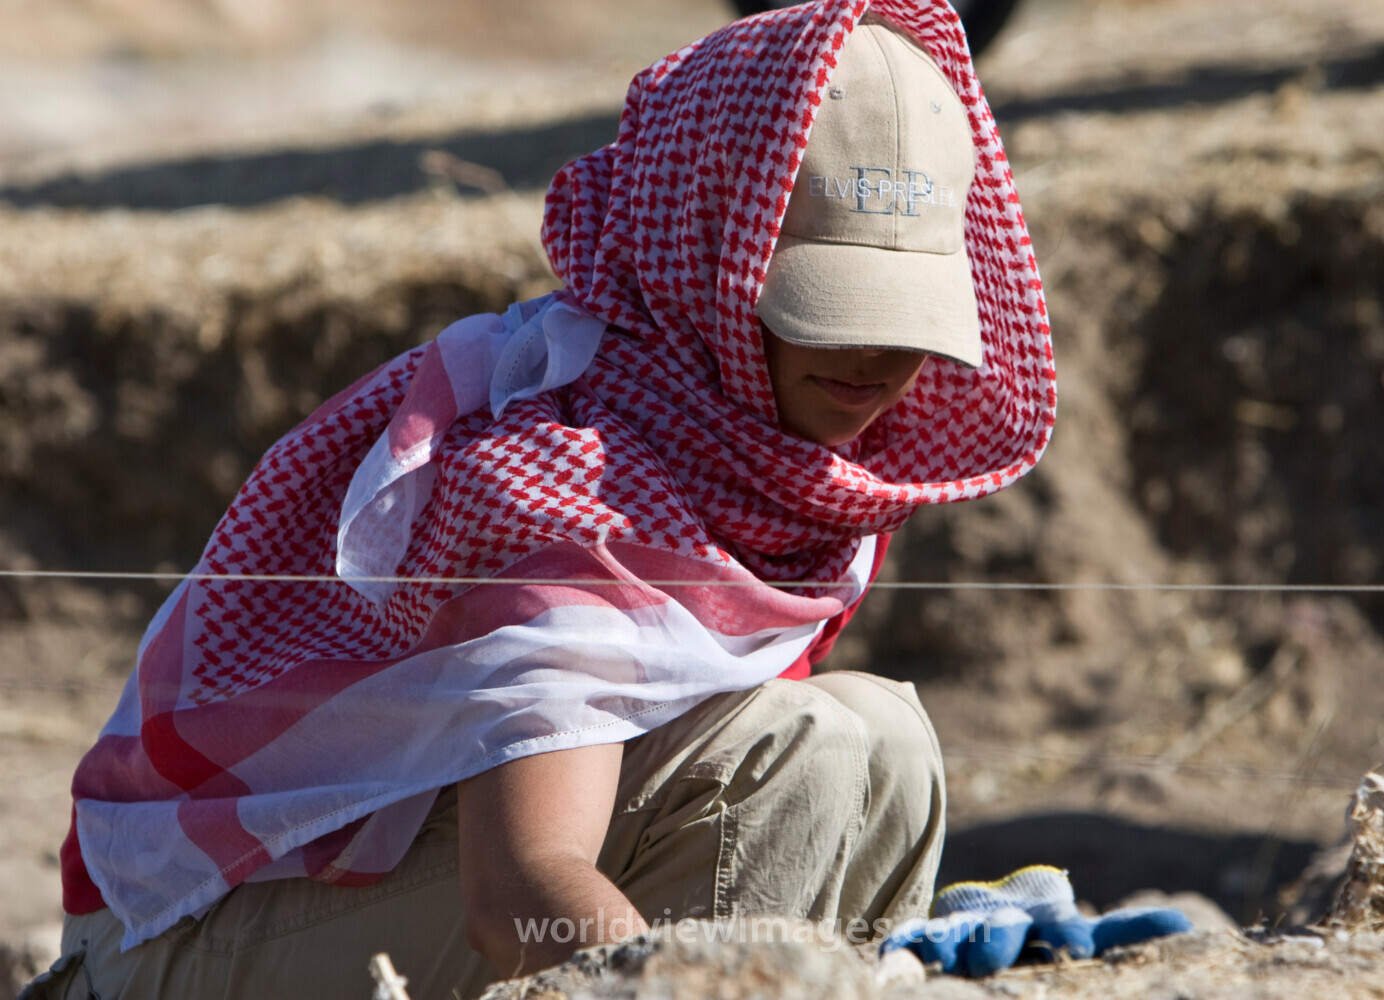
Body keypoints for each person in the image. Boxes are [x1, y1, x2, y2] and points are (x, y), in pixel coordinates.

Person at [24, 1, 1056, 997]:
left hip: (384, 879)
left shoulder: (765, 455)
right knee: (798, 754)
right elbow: (524, 901)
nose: (875, 354)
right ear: (704, 253)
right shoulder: (571, 485)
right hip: (174, 944)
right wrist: (693, 986)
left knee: (885, 736)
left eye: (905, 311)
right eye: (827, 304)